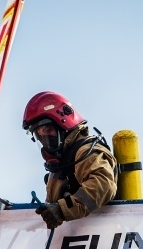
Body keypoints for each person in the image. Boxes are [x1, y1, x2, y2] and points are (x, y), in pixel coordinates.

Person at [22, 91, 117, 229]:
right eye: (39, 134)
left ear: (64, 123)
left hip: (99, 241)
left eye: (48, 129)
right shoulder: (58, 167)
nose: (45, 138)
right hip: (70, 245)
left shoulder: (86, 152)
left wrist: (62, 210)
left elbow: (103, 185)